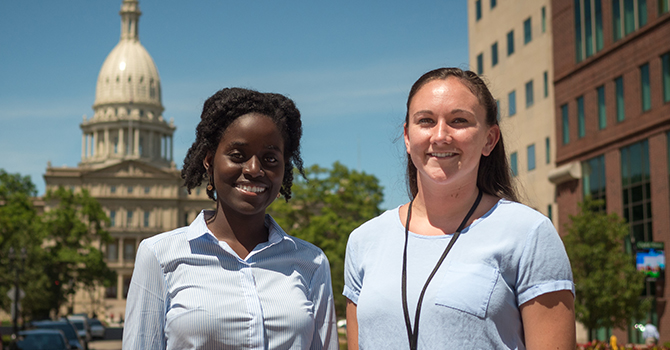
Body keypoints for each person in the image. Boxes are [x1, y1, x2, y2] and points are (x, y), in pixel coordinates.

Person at [343, 68, 575, 349]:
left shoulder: (529, 233)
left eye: (459, 121)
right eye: (426, 121)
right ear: (407, 136)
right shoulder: (364, 241)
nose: (440, 136)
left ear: (489, 139)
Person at [123, 88, 338, 349]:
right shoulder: (159, 256)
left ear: (284, 168)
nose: (254, 169)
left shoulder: (311, 263)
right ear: (210, 161)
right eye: (238, 156)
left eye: (270, 158)